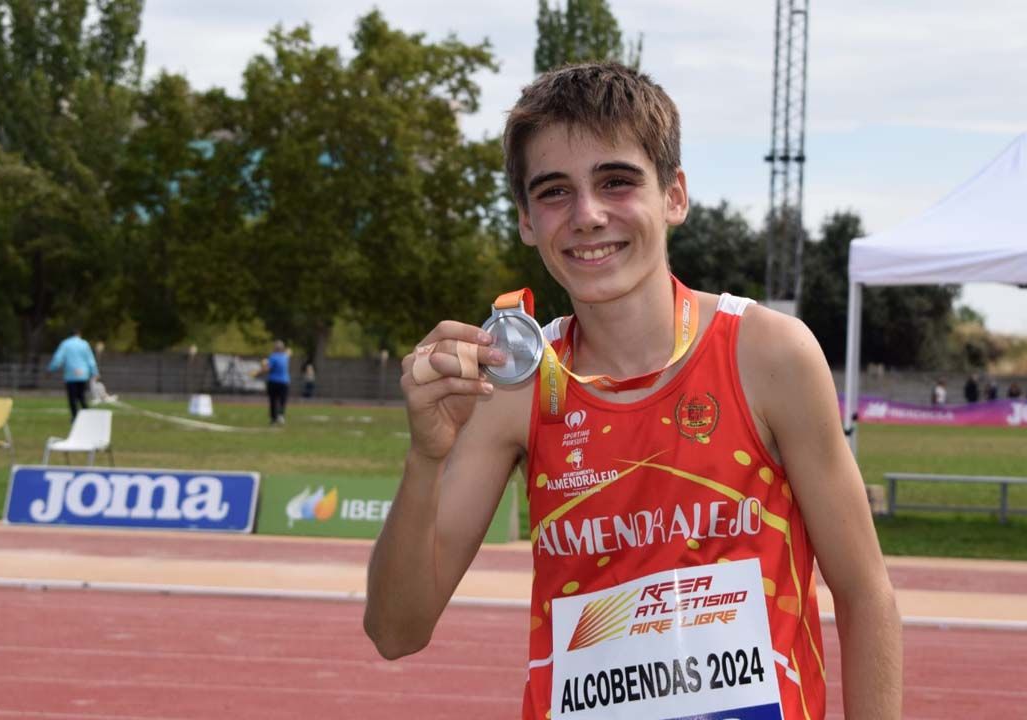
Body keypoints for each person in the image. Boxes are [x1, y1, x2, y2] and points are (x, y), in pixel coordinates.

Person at [364, 63, 901, 719]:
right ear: (528, 221)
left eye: (616, 181)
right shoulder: (520, 385)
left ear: (674, 195)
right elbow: (397, 631)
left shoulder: (769, 355)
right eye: (555, 192)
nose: (588, 216)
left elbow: (865, 590)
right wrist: (425, 457)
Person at [47, 329, 99, 421]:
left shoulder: (65, 344)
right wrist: (95, 372)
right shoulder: (84, 344)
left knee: (72, 398)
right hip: (83, 375)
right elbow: (91, 360)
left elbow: (58, 359)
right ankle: (87, 416)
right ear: (79, 334)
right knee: (81, 396)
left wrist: (50, 370)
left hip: (71, 375)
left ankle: (75, 417)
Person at [259, 340, 291, 425]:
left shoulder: (273, 357)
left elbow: (268, 369)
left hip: (273, 381)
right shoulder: (285, 357)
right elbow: (289, 352)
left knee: (273, 400)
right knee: (282, 400)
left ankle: (274, 419)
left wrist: (261, 369)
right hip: (284, 382)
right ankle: (281, 415)